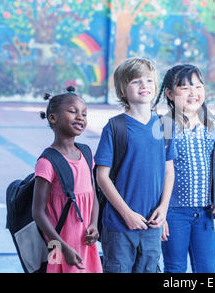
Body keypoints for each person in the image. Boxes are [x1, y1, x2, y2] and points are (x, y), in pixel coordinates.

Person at [95, 57, 176, 273]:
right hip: (119, 226)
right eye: (135, 81)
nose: (144, 86)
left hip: (152, 224)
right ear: (122, 90)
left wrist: (164, 208)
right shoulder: (115, 127)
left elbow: (169, 171)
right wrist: (126, 213)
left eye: (149, 81)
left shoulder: (165, 125)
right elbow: (102, 176)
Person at [152, 64, 215, 273]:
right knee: (175, 268)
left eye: (198, 86)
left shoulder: (213, 126)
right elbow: (156, 174)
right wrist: (161, 214)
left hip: (205, 213)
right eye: (185, 87)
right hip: (173, 213)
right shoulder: (163, 127)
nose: (193, 92)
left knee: (207, 269)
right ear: (169, 93)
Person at [32, 86, 102, 273]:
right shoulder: (48, 161)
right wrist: (62, 247)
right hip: (60, 245)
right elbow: (38, 213)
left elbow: (93, 194)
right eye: (73, 111)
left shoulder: (86, 153)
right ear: (53, 118)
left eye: (84, 114)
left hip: (85, 243)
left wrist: (94, 224)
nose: (81, 117)